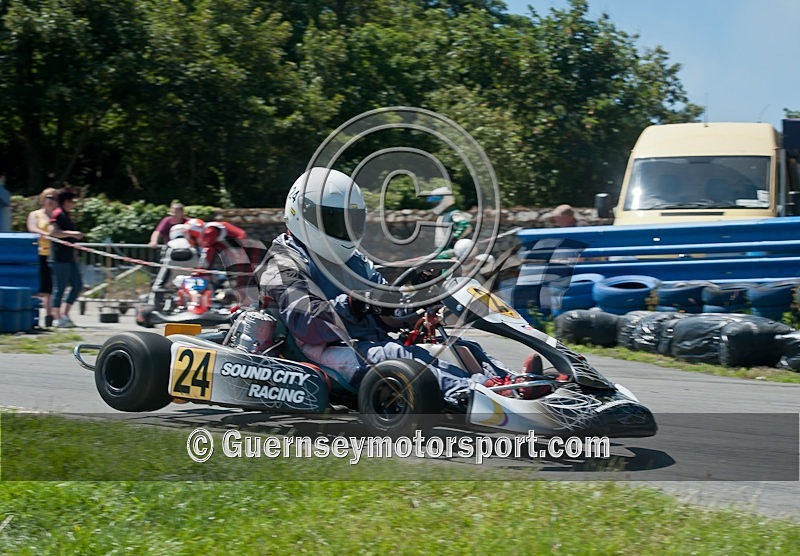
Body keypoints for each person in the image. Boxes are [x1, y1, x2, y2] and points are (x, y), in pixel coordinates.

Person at [259, 168, 532, 408]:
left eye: (349, 221)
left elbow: (383, 306)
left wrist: (416, 308)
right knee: (396, 355)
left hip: (362, 342)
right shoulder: (284, 262)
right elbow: (307, 323)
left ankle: (511, 383)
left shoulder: (354, 261)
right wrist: (359, 302)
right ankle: (474, 395)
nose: (344, 229)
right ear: (303, 213)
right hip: (316, 350)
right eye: (335, 221)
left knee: (458, 345)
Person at [49, 187, 84, 328]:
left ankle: (65, 314)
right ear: (65, 201)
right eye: (71, 201)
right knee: (60, 288)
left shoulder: (67, 215)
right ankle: (57, 318)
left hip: (70, 258)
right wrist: (73, 234)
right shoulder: (57, 214)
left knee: (77, 285)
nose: (73, 204)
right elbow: (53, 232)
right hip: (59, 258)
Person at [26, 187, 57, 327]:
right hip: (37, 253)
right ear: (43, 199)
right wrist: (44, 233)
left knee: (49, 287)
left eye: (53, 198)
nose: (51, 201)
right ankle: (32, 314)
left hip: (52, 254)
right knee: (37, 285)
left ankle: (49, 315)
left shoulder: (56, 216)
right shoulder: (35, 214)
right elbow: (32, 228)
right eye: (48, 197)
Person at [427, 186, 472, 256]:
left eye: (436, 202)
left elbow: (465, 225)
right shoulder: (443, 215)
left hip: (452, 252)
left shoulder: (454, 213)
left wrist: (453, 239)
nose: (434, 204)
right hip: (443, 250)